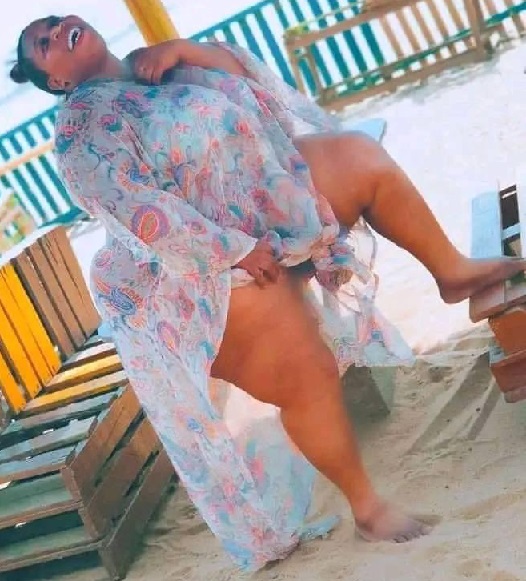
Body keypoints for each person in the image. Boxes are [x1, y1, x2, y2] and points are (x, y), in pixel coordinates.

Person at [10, 14, 525, 570]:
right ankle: (369, 509)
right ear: (58, 82)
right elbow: (136, 211)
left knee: (356, 156)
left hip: (261, 205)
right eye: (43, 42)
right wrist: (232, 249)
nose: (56, 30)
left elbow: (243, 76)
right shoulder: (81, 126)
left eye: (55, 22)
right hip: (193, 271)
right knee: (305, 373)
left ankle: (452, 271)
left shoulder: (149, 66)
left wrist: (183, 49)